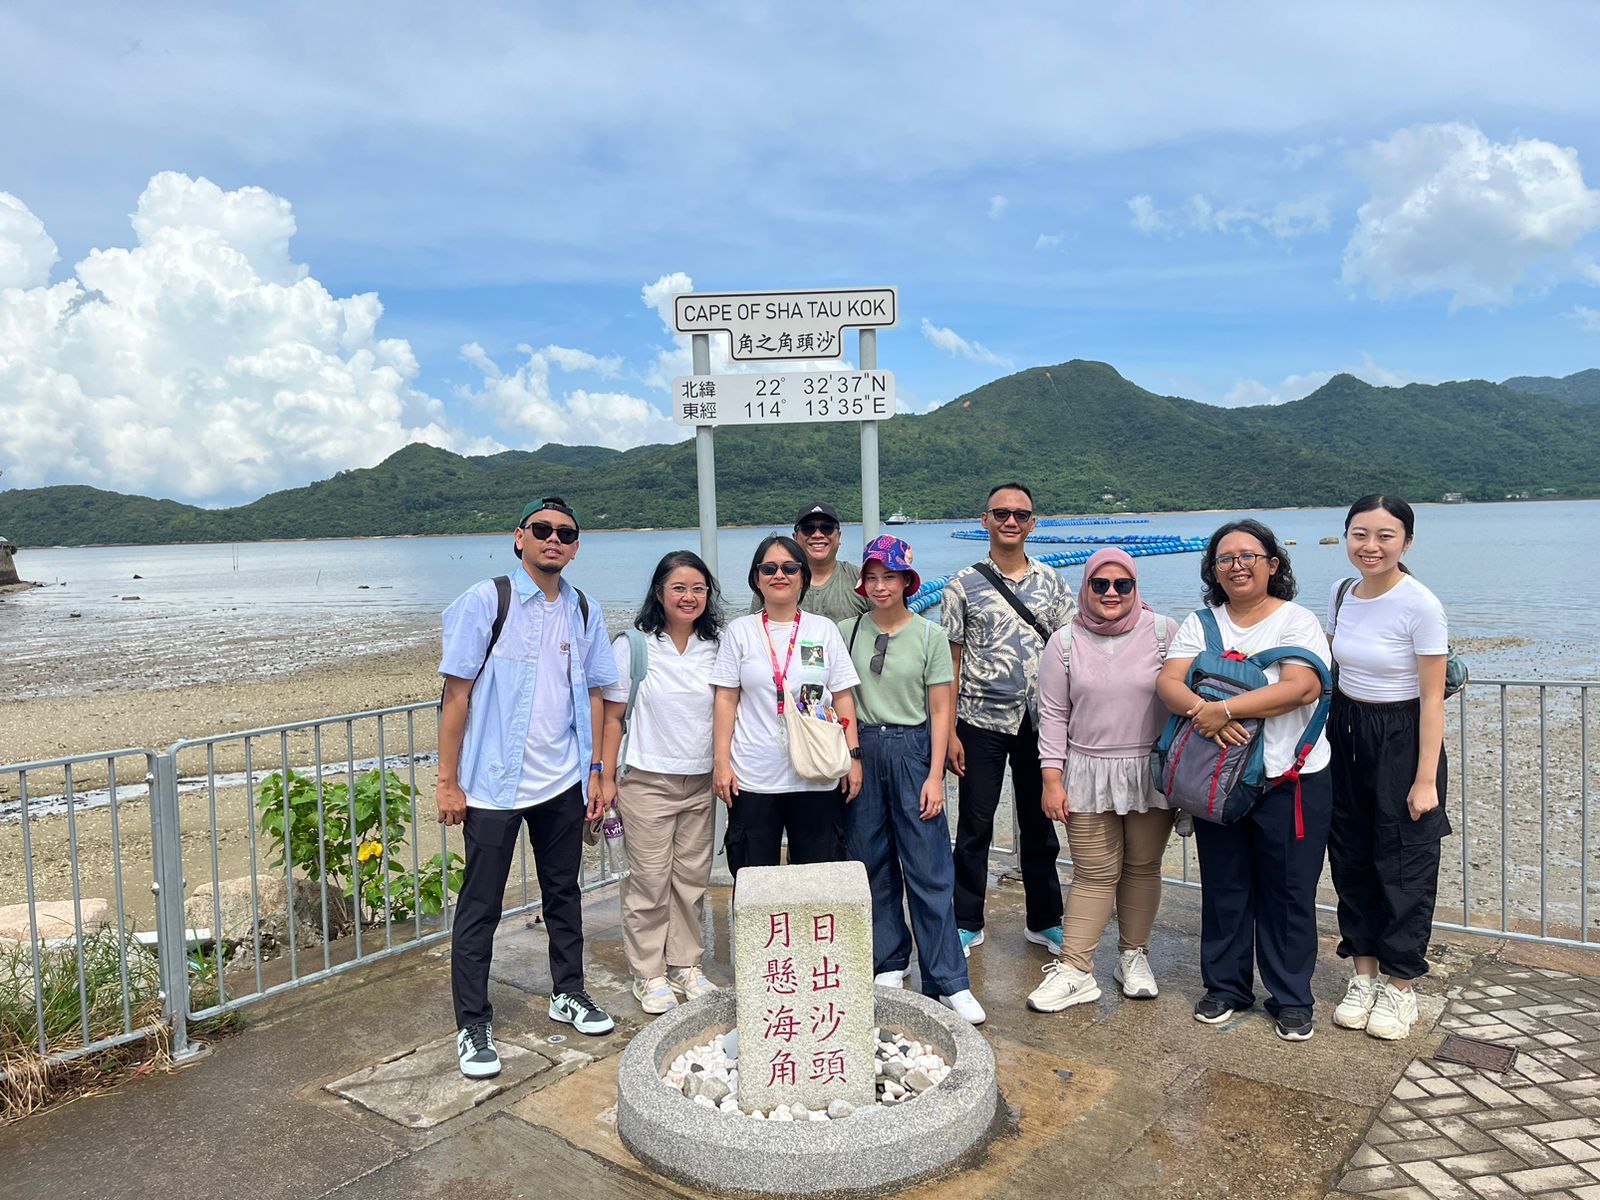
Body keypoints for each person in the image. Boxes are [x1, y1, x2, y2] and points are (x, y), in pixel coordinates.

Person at [438, 496, 618, 1080]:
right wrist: (447, 782)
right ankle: (472, 1022)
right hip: (492, 783)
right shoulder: (487, 601)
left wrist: (595, 771)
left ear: (576, 545)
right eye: (542, 530)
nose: (553, 540)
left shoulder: (584, 610)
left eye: (565, 533)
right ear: (519, 537)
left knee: (563, 894)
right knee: (480, 907)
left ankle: (568, 991)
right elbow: (456, 696)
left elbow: (596, 692)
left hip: (561, 778)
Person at [1157, 519, 1332, 1042]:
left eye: (1249, 555)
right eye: (1225, 557)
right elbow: (1169, 680)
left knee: (1289, 891)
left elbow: (1302, 687)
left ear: (1273, 564)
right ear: (1213, 570)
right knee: (1226, 886)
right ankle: (1226, 987)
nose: (1238, 565)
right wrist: (1201, 710)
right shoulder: (1200, 623)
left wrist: (1222, 708)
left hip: (1290, 778)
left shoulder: (1296, 622)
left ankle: (1291, 996)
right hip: (1219, 779)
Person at [840, 535, 985, 1025]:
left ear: (907, 581)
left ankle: (948, 978)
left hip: (913, 746)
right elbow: (832, 695)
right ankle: (889, 959)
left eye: (891, 577)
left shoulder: (928, 635)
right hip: (861, 747)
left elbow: (943, 709)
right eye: (873, 577)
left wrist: (934, 775)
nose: (881, 587)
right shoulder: (847, 631)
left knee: (929, 867)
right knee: (870, 860)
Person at [1028, 548, 1178, 1013]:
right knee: (1093, 873)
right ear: (1086, 588)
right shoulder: (1064, 642)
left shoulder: (1162, 632)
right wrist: (1051, 780)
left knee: (1142, 867)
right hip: (1087, 771)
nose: (1111, 593)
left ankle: (1133, 956)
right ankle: (1075, 969)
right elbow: (1052, 716)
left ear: (1136, 588)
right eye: (1100, 585)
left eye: (1122, 585)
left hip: (1148, 771)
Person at [1326, 496, 1451, 1041]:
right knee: (1351, 854)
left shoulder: (1421, 604)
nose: (1370, 546)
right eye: (1359, 534)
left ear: (1407, 542)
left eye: (1384, 535)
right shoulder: (1341, 593)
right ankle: (1363, 973)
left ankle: (1401, 987)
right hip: (1346, 730)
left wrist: (1425, 780)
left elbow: (1432, 701)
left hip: (1403, 736)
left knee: (1405, 863)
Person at [941, 483, 1074, 958]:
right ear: (986, 520)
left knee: (1040, 827)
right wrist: (951, 731)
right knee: (975, 826)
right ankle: (965, 919)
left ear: (1032, 522)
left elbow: (1069, 651)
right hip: (980, 722)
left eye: (1020, 514)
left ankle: (1045, 921)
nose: (1011, 521)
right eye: (1001, 513)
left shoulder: (1053, 582)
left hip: (1040, 722)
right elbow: (950, 663)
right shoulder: (962, 584)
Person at [599, 551, 724, 1017]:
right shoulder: (634, 646)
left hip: (700, 781)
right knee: (649, 881)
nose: (688, 597)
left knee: (691, 881)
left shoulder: (717, 645)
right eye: (678, 588)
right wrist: (606, 777)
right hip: (647, 779)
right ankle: (648, 972)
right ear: (659, 593)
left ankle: (685, 965)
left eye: (698, 589)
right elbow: (613, 718)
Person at [713, 535, 862, 871]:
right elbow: (726, 698)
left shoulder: (823, 630)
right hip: (753, 776)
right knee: (754, 880)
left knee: (819, 879)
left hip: (816, 774)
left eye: (789, 568)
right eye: (769, 568)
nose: (779, 575)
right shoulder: (740, 632)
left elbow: (842, 695)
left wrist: (853, 757)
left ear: (803, 577)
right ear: (756, 578)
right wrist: (721, 763)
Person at [748, 501, 871, 622]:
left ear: (839, 536)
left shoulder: (860, 580)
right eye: (808, 528)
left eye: (827, 527)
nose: (817, 535)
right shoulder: (775, 582)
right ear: (795, 538)